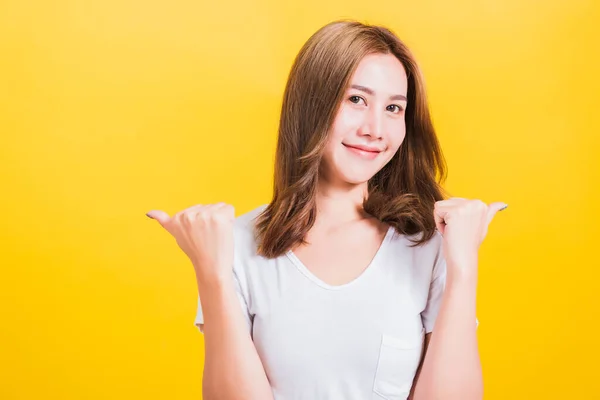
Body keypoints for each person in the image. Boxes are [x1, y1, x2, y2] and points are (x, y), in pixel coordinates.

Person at [146, 19, 507, 400]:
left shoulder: (430, 245)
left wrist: (464, 268)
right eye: (356, 100)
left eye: (394, 108)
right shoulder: (232, 246)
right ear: (311, 105)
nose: (375, 128)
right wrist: (212, 274)